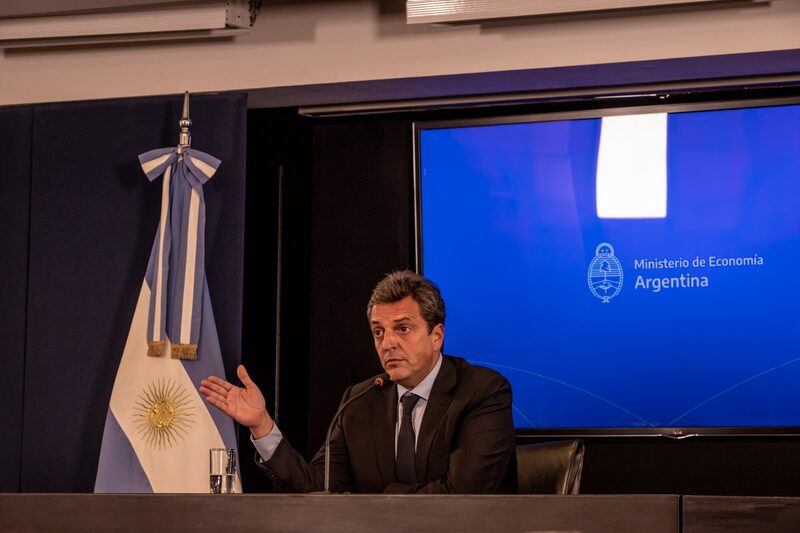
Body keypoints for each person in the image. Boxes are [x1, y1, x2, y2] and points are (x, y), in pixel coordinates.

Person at [200, 270, 517, 493]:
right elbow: (319, 488)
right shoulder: (360, 400)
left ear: (437, 336)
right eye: (379, 332)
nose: (387, 343)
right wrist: (263, 427)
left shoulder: (482, 391)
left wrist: (380, 499)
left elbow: (464, 496)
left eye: (402, 329)